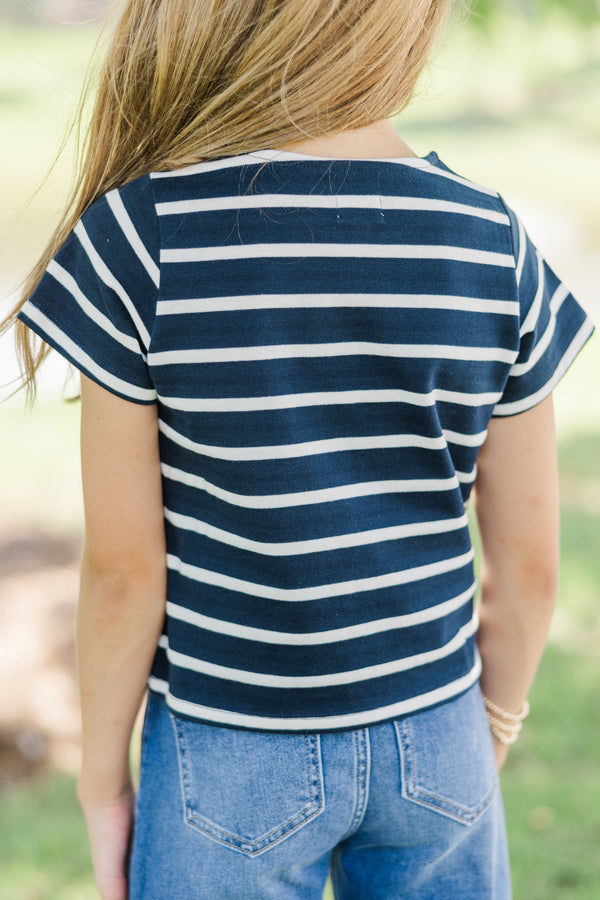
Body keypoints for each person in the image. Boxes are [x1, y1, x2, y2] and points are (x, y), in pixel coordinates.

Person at [2, 1, 594, 897]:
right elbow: (529, 569)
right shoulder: (493, 242)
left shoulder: (142, 237)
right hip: (437, 731)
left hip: (228, 747)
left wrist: (101, 783)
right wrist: (492, 725)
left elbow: (125, 572)